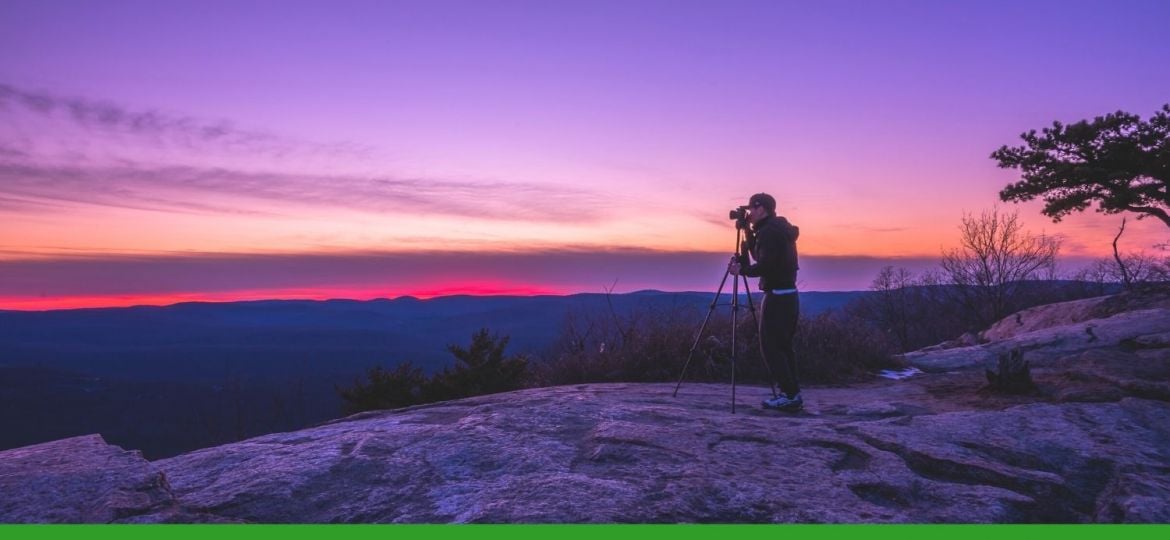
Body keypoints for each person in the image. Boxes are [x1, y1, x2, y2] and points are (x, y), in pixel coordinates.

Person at [728, 193, 803, 411]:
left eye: (751, 208)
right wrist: (747, 233)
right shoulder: (775, 229)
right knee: (784, 347)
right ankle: (792, 393)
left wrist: (742, 270)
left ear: (762, 209)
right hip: (788, 295)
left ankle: (789, 395)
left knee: (771, 348)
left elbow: (765, 265)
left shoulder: (770, 232)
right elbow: (759, 255)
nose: (749, 213)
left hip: (778, 297)